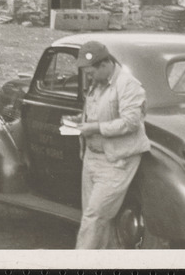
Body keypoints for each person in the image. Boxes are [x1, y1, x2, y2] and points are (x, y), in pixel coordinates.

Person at [72, 39, 151, 249]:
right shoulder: (97, 83)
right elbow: (96, 111)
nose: (88, 77)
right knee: (96, 219)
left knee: (95, 216)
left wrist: (96, 128)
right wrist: (80, 123)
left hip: (116, 160)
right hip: (92, 157)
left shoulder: (128, 85)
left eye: (91, 72)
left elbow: (131, 122)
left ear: (105, 65)